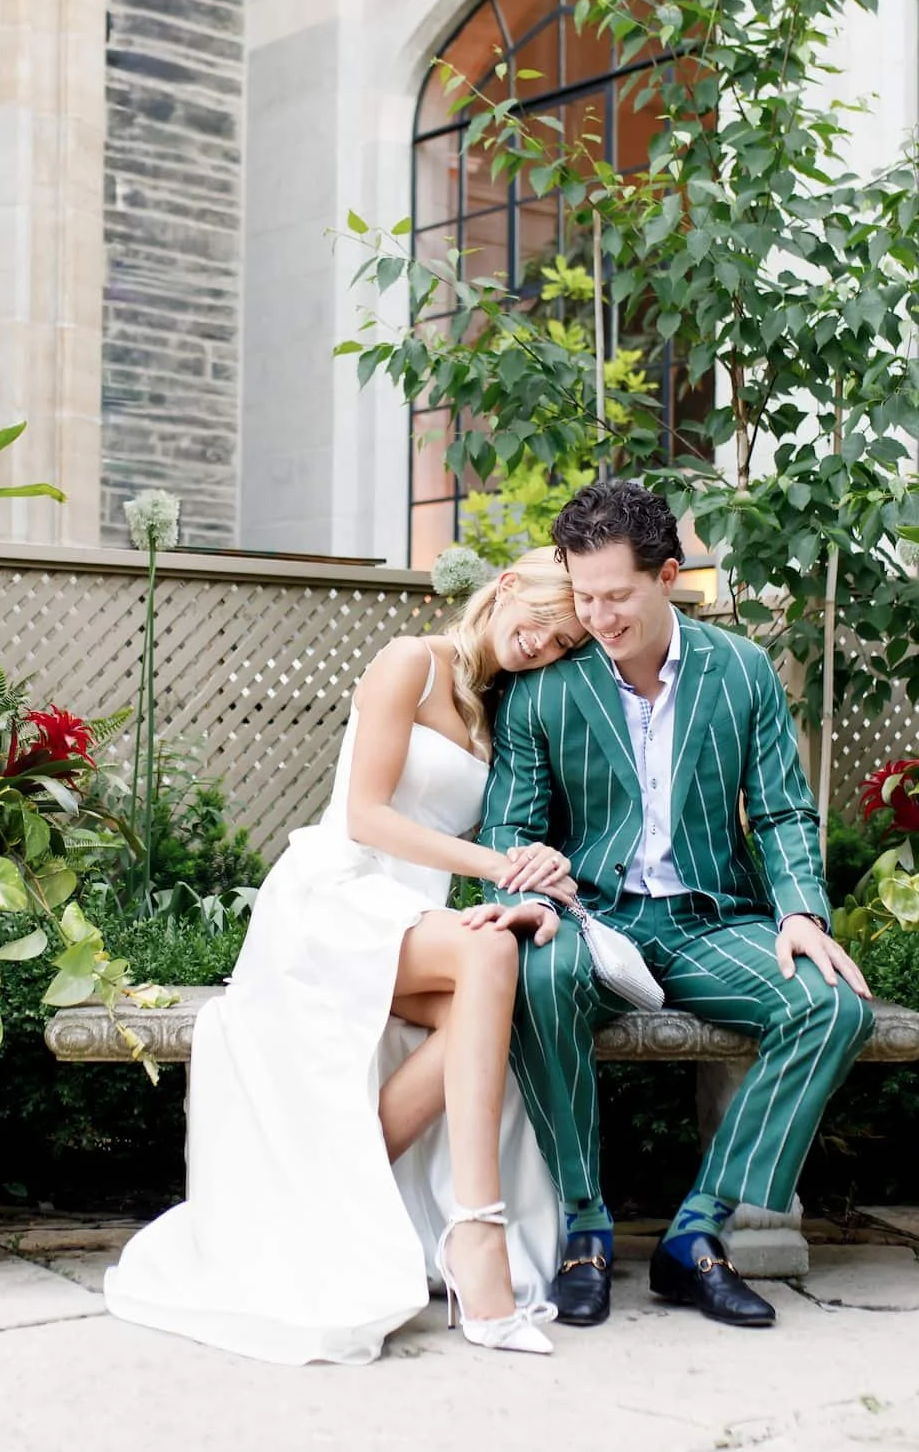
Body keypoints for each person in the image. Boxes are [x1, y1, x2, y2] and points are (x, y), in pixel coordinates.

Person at [103, 551, 590, 1365]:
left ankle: (336, 1189)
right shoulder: (410, 660)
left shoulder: (503, 705)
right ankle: (477, 1237)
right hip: (337, 895)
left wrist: (539, 875)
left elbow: (504, 825)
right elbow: (365, 816)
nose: (545, 644)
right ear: (506, 588)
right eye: (544, 621)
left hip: (411, 916)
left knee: (495, 971)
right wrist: (495, 868)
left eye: (566, 641)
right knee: (486, 962)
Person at [481, 481, 875, 1330]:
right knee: (536, 975)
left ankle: (697, 1231)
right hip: (588, 919)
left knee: (831, 1004)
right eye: (584, 595)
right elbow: (509, 821)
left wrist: (801, 911)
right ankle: (585, 1226)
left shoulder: (741, 670)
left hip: (711, 921)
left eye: (617, 595)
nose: (598, 615)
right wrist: (519, 897)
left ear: (669, 576)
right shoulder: (544, 686)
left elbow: (780, 809)